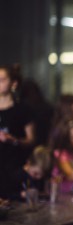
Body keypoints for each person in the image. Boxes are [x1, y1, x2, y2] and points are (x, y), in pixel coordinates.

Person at [0, 64, 35, 198]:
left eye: (2, 80)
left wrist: (13, 139)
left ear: (13, 83)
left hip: (14, 166)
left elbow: (31, 139)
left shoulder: (23, 109)